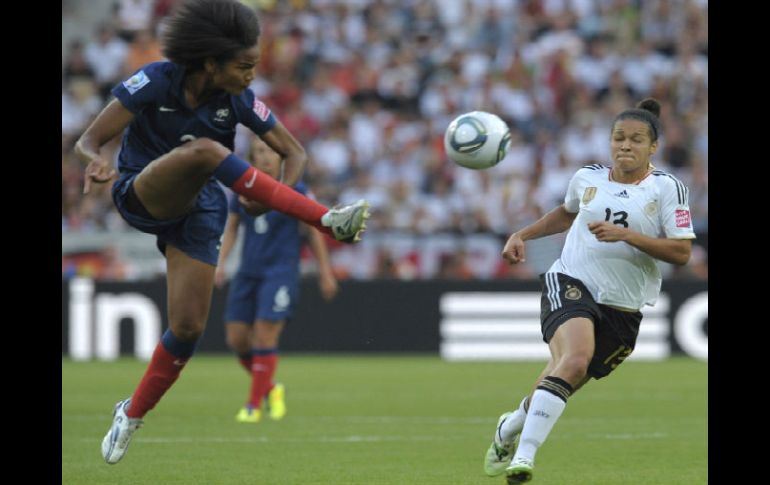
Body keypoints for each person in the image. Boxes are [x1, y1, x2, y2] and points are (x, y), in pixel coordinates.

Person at [75, 0, 369, 465]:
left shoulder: (240, 100)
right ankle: (325, 219)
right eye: (244, 66)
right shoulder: (155, 79)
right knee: (206, 151)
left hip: (201, 210)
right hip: (143, 191)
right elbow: (89, 139)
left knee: (188, 328)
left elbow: (294, 153)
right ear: (210, 64)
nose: (252, 75)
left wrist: (271, 197)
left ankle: (131, 413)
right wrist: (95, 160)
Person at [482, 98, 694, 484]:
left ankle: (510, 426)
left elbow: (681, 252)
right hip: (571, 281)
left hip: (624, 307)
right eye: (618, 137)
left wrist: (626, 235)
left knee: (564, 375)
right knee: (576, 359)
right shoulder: (587, 178)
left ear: (653, 147)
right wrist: (522, 234)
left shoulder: (667, 188)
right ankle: (523, 458)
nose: (625, 145)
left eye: (636, 139)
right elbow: (566, 213)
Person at [215, 136, 339, 423]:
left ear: (282, 157)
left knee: (264, 334)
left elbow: (312, 232)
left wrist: (325, 272)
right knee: (236, 338)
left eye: (271, 151)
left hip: (280, 272)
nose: (266, 157)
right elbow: (232, 227)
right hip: (248, 271)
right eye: (260, 151)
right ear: (252, 157)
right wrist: (221, 264)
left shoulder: (296, 189)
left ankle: (252, 405)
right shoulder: (242, 188)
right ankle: (271, 389)